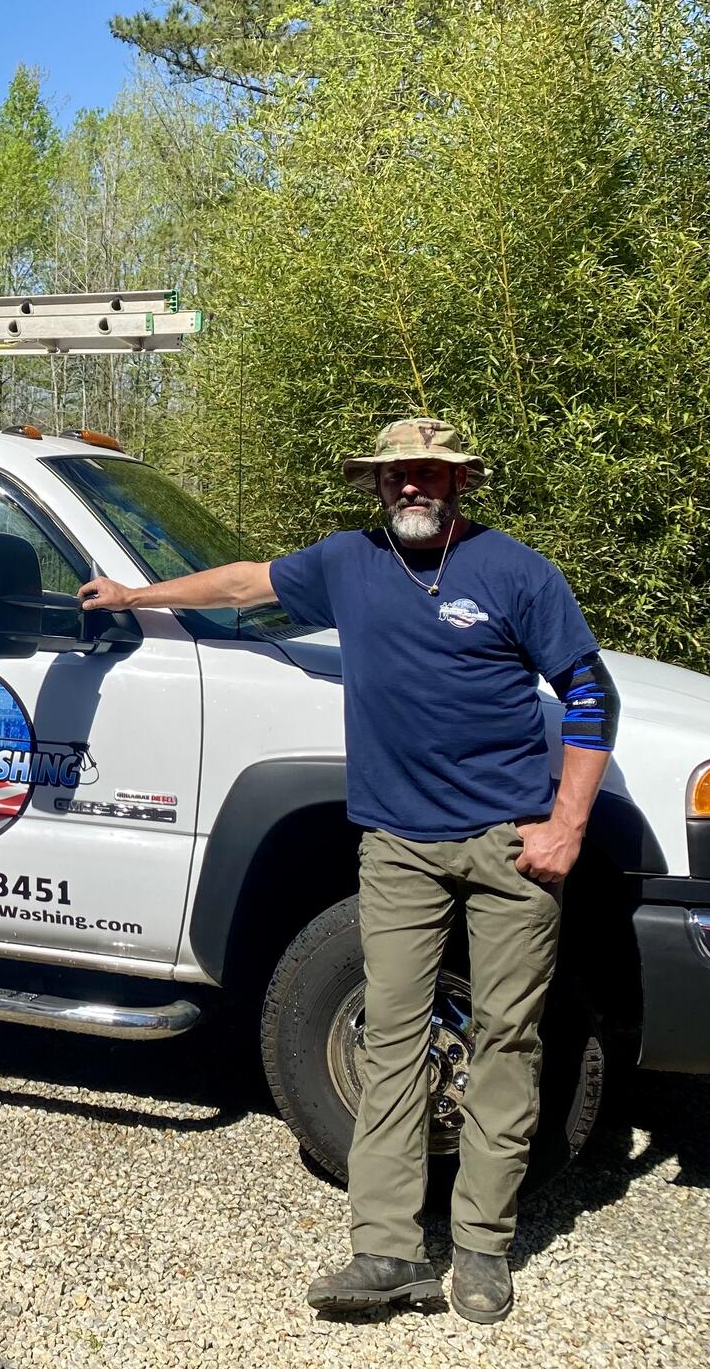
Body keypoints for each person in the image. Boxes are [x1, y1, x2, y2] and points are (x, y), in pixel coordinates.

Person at [78, 417, 618, 1325]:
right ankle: (387, 1251)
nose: (414, 487)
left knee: (506, 1040)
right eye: (398, 474)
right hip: (396, 845)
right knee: (391, 1039)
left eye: (431, 475)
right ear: (377, 485)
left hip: (509, 845)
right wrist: (136, 594)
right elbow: (246, 582)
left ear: (460, 485)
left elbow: (591, 693)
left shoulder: (516, 573)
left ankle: (483, 1248)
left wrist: (565, 825)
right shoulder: (346, 562)